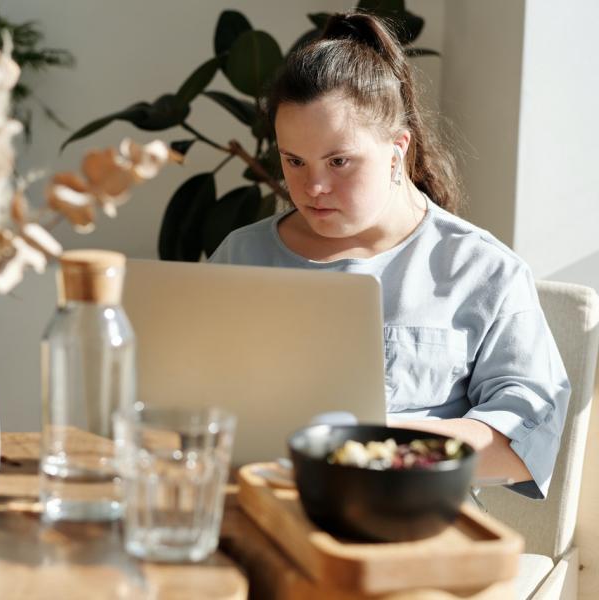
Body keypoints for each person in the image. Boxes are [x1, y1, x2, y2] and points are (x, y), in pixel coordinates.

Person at [209, 12, 569, 499]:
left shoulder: (482, 271)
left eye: (340, 161)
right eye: (294, 161)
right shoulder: (241, 255)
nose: (313, 187)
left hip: (406, 525)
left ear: (397, 150)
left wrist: (366, 447)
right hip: (258, 512)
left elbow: (522, 445)